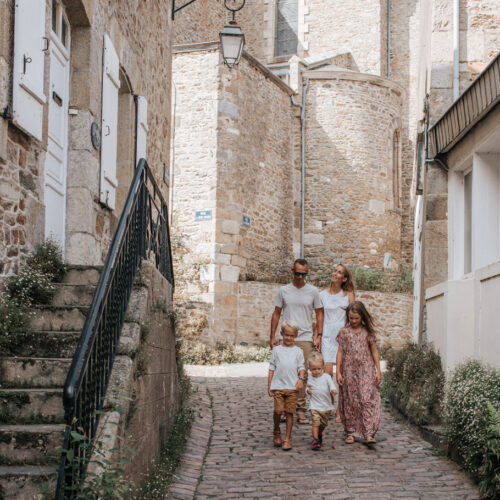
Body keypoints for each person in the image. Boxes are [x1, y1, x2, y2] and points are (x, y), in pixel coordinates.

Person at [270, 258, 324, 425]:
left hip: (305, 338)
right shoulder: (284, 290)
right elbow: (277, 313)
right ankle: (287, 409)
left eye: (304, 274)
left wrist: (319, 335)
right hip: (287, 337)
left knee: (303, 375)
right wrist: (272, 336)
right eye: (298, 273)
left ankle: (300, 410)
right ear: (292, 271)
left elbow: (320, 313)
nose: (301, 277)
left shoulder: (313, 291)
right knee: (286, 372)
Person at [336, 301, 382, 444]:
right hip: (348, 370)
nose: (354, 321)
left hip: (366, 370)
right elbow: (340, 352)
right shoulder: (344, 332)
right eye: (351, 318)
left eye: (357, 318)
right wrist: (337, 372)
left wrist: (378, 370)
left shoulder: (368, 332)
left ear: (362, 316)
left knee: (366, 399)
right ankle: (350, 431)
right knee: (349, 401)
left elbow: (374, 351)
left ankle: (368, 432)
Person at [316, 264, 355, 422]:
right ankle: (329, 406)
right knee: (327, 375)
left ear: (344, 278)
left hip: (342, 337)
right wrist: (317, 336)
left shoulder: (348, 295)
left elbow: (353, 317)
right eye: (335, 271)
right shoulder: (322, 295)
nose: (335, 273)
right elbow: (319, 318)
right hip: (326, 337)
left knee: (342, 374)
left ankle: (340, 409)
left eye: (339, 272)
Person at [268, 322, 306, 451]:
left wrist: (301, 379)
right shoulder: (276, 350)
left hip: (292, 387)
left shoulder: (298, 351)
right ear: (281, 334)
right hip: (278, 386)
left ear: (295, 336)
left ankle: (287, 438)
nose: (288, 338)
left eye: (291, 335)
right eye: (286, 335)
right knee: (278, 411)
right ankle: (277, 430)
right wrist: (270, 385)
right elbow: (271, 368)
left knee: (290, 412)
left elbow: (301, 367)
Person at [306, 351, 337, 450]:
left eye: (319, 369)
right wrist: (308, 390)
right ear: (309, 369)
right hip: (314, 405)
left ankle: (319, 434)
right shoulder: (310, 378)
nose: (317, 371)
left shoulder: (326, 377)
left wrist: (333, 389)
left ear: (323, 367)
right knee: (315, 422)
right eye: (314, 369)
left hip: (326, 406)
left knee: (323, 424)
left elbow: (331, 384)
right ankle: (315, 439)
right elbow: (307, 387)